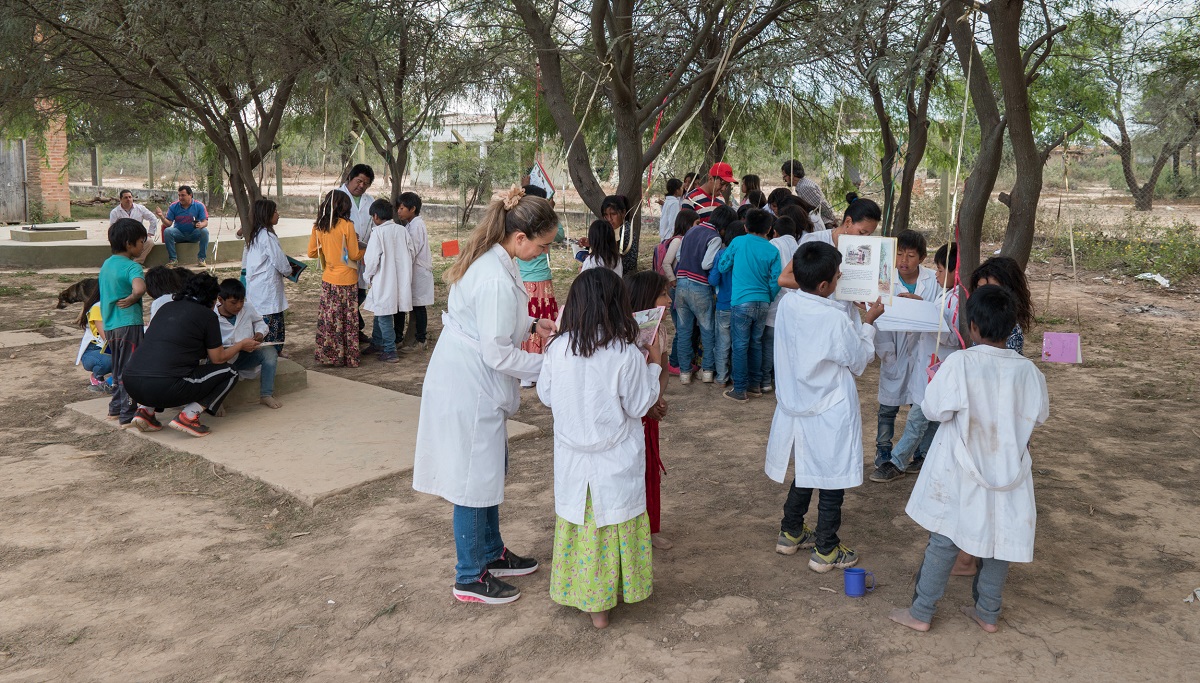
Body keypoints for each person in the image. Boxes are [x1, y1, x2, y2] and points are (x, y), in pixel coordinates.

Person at [412, 187, 558, 605]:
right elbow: (496, 351)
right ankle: (469, 575)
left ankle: (490, 551)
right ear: (520, 238)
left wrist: (532, 328)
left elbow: (494, 323)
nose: (544, 254)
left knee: (488, 471)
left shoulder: (500, 260)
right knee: (473, 479)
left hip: (471, 378)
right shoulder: (495, 274)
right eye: (543, 246)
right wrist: (548, 366)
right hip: (469, 383)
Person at [889, 285, 1049, 634]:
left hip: (960, 469)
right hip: (1009, 469)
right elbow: (1039, 417)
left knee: (944, 539)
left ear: (972, 325)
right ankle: (987, 613)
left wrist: (936, 380)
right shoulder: (1030, 372)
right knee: (999, 541)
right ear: (1012, 328)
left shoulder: (960, 363)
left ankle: (921, 612)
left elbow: (933, 409)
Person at [538, 268, 662, 628]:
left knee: (584, 528)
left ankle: (594, 604)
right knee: (613, 526)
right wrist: (653, 364)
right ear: (618, 306)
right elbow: (640, 405)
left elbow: (546, 395)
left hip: (574, 459)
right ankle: (610, 599)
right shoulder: (624, 353)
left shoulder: (558, 348)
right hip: (614, 460)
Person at [766, 241, 885, 571]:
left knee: (806, 467)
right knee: (832, 477)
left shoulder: (789, 304)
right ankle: (826, 549)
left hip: (798, 403)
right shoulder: (833, 321)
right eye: (837, 275)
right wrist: (869, 321)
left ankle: (790, 532)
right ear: (824, 285)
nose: (841, 276)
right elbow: (859, 360)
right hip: (830, 406)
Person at [123, 273, 257, 437]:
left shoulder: (166, 308)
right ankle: (189, 416)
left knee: (162, 367)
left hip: (131, 383)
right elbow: (218, 358)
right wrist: (241, 345)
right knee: (230, 372)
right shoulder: (207, 316)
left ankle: (146, 411)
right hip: (166, 386)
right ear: (212, 298)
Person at [871, 229, 942, 483]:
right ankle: (883, 451)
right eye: (899, 253)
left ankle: (920, 454)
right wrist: (887, 353)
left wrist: (918, 304)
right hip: (895, 349)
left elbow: (937, 313)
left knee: (919, 407)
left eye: (910, 255)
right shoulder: (884, 279)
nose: (903, 260)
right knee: (887, 408)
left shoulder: (934, 280)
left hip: (923, 352)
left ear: (921, 258)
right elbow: (877, 320)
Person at [627, 270, 674, 550]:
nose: (669, 300)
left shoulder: (662, 332)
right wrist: (646, 402)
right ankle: (630, 528)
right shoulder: (622, 334)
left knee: (650, 470)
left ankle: (650, 526)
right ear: (645, 299)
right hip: (630, 412)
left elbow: (664, 369)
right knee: (632, 469)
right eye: (663, 294)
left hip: (649, 410)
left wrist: (657, 400)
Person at [717, 209, 782, 402]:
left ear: (745, 226)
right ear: (769, 229)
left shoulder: (738, 242)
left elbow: (722, 266)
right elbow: (776, 280)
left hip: (741, 303)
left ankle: (739, 390)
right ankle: (755, 385)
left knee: (740, 345)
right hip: (763, 303)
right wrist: (767, 297)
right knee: (756, 344)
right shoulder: (772, 249)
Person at [672, 204, 736, 385]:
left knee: (684, 329)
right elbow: (707, 264)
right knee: (707, 329)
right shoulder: (714, 237)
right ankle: (707, 370)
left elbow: (678, 255)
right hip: (699, 286)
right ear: (724, 227)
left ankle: (685, 372)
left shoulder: (692, 231)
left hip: (681, 284)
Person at [99, 218, 147, 426]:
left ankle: (115, 409)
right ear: (129, 243)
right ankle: (128, 413)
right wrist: (133, 298)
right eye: (141, 241)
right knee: (131, 369)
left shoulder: (106, 265)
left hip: (111, 326)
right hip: (129, 325)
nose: (143, 246)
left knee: (117, 368)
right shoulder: (132, 267)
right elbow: (139, 288)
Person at [308, 190, 364, 367]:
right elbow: (354, 254)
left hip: (329, 279)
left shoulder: (318, 226)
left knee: (330, 318)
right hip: (347, 278)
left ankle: (330, 355)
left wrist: (327, 247)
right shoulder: (347, 225)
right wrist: (365, 249)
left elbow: (312, 253)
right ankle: (349, 356)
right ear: (344, 207)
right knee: (347, 319)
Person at [777, 194, 883, 288]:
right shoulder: (815, 241)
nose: (864, 239)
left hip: (845, 309)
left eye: (869, 235)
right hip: (817, 309)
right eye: (861, 232)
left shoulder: (863, 251)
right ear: (848, 221)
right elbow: (785, 278)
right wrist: (823, 281)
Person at [361, 199, 414, 363]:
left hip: (383, 279)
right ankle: (377, 342)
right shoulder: (402, 230)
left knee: (384, 315)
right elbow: (411, 252)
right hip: (400, 278)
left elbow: (370, 260)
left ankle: (390, 350)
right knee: (380, 311)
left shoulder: (377, 233)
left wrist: (367, 276)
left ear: (375, 216)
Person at [215, 278, 280, 409]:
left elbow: (259, 322)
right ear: (221, 300)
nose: (239, 306)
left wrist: (260, 333)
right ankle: (216, 401)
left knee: (270, 353)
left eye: (241, 301)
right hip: (223, 359)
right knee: (214, 364)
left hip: (246, 356)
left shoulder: (248, 308)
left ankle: (266, 394)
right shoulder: (212, 315)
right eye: (234, 302)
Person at [243, 199, 292, 359]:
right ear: (267, 215)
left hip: (262, 288)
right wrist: (289, 270)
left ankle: (275, 352)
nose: (278, 214)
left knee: (271, 318)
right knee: (270, 323)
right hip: (266, 289)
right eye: (275, 211)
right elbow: (280, 261)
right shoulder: (266, 236)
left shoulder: (257, 235)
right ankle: (271, 353)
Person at [337, 164, 377, 346]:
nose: (361, 186)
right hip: (342, 255)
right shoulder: (336, 197)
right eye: (359, 181)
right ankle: (355, 327)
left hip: (363, 253)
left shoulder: (370, 201)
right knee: (345, 295)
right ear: (350, 178)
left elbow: (376, 227)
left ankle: (355, 327)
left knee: (360, 292)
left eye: (366, 184)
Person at [659, 209, 699, 375]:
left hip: (679, 287)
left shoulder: (684, 240)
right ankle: (675, 362)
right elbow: (666, 263)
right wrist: (673, 281)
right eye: (696, 224)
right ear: (687, 224)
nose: (698, 227)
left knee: (682, 327)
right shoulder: (679, 241)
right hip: (676, 288)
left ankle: (677, 361)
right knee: (681, 328)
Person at [763, 215, 800, 393]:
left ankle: (766, 380)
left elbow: (771, 276)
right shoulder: (799, 246)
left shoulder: (773, 245)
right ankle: (783, 380)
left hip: (776, 300)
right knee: (788, 345)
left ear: (774, 231)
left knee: (769, 343)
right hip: (796, 302)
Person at [707, 220, 745, 387]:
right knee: (740, 344)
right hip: (743, 305)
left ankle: (722, 377)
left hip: (723, 305)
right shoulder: (747, 256)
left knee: (722, 343)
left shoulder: (722, 255)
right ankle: (737, 378)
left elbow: (713, 279)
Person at [968, 257, 1033, 355]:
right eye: (980, 288)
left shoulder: (1013, 331)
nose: (984, 296)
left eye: (993, 289)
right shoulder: (981, 321)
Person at [395, 191, 434, 354]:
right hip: (414, 271)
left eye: (402, 208)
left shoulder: (417, 225)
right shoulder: (410, 225)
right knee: (413, 305)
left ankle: (421, 339)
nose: (399, 211)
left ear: (412, 209)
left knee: (419, 306)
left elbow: (412, 249)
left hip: (418, 271)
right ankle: (405, 338)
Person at [155, 186, 209, 267]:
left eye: (183, 195)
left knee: (204, 231)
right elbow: (168, 223)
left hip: (194, 234)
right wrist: (161, 216)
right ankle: (173, 259)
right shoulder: (173, 206)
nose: (180, 198)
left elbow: (205, 222)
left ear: (190, 195)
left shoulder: (199, 205)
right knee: (168, 231)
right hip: (179, 234)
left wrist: (201, 224)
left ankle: (201, 258)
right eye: (179, 195)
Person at [75, 288, 112, 392]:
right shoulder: (97, 308)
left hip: (109, 346)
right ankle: (98, 376)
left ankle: (113, 380)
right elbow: (107, 337)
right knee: (119, 359)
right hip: (95, 349)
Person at [109, 190, 157, 264]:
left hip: (138, 237)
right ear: (120, 199)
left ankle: (137, 262)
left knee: (150, 242)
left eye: (130, 197)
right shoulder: (115, 212)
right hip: (123, 238)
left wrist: (150, 233)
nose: (128, 199)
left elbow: (153, 218)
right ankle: (122, 263)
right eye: (125, 197)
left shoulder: (140, 208)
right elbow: (113, 228)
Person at [781, 159, 834, 226]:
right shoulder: (802, 185)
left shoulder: (804, 188)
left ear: (792, 175)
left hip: (823, 224)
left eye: (784, 176)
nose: (784, 180)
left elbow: (822, 206)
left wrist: (833, 220)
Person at [659, 178, 684, 242]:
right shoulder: (674, 203)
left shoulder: (668, 201)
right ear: (677, 190)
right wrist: (675, 236)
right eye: (681, 188)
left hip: (664, 235)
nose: (682, 190)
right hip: (669, 237)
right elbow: (673, 221)